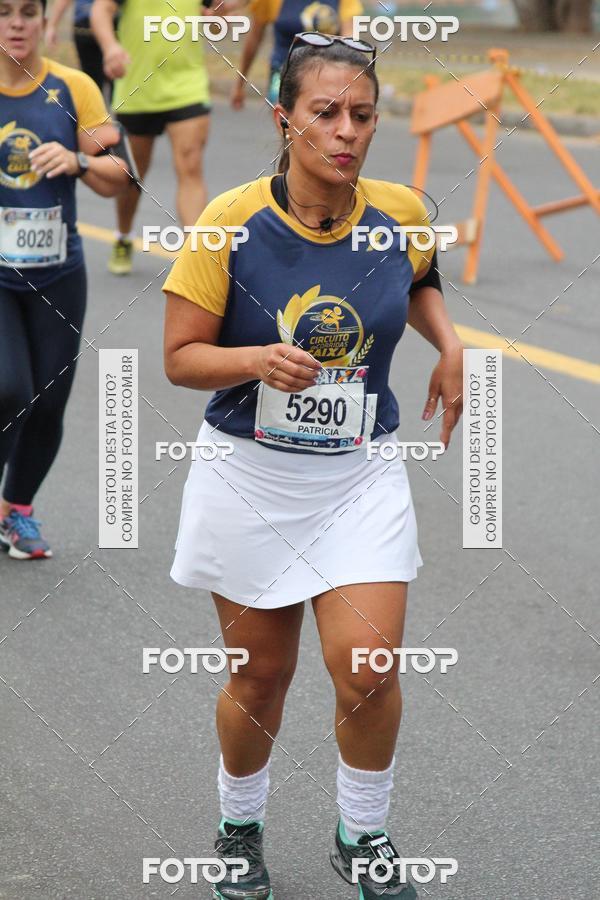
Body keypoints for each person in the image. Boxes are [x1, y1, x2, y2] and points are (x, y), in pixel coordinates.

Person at [163, 32, 463, 900]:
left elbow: (422, 275)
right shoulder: (230, 221)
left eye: (362, 116)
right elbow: (180, 358)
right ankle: (238, 824)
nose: (346, 132)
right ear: (284, 116)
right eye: (325, 113)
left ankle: (362, 834)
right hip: (249, 476)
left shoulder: (401, 209)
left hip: (359, 473)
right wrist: (256, 360)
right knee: (261, 673)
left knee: (369, 666)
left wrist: (449, 343)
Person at [0, 0, 133, 559]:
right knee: (10, 389)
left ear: (45, 21)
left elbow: (120, 175)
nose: (16, 24)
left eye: (28, 12)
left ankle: (18, 512)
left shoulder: (74, 87)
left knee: (49, 402)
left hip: (58, 273)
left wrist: (79, 162)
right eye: (4, 12)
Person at [91, 0, 212, 275]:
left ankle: (196, 257)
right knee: (133, 175)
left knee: (190, 166)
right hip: (138, 89)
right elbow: (101, 9)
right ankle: (123, 236)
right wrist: (111, 47)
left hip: (187, 85)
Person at [231, 0, 364, 109]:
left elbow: (349, 37)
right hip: (283, 73)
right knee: (289, 125)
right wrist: (240, 83)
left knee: (320, 126)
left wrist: (354, 81)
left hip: (327, 75)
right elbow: (254, 38)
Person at [45, 0, 114, 98]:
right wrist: (52, 26)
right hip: (85, 30)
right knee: (92, 84)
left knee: (115, 80)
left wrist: (52, 25)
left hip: (111, 29)